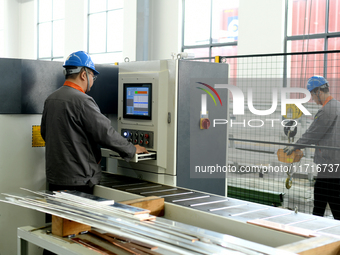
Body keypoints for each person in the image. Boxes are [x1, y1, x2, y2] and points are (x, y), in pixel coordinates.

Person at [41, 51, 148, 195]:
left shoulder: (51, 99)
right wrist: (131, 149)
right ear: (83, 74)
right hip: (79, 181)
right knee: (78, 218)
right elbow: (105, 133)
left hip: (56, 179)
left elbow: (44, 133)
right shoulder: (83, 101)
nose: (93, 79)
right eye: (92, 75)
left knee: (60, 218)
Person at [284, 75, 340, 220]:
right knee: (328, 197)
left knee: (324, 198)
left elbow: (313, 134)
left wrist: (295, 146)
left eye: (312, 95)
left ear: (318, 92)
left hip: (329, 163)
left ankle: (315, 229)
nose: (313, 100)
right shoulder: (338, 106)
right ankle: (317, 225)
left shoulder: (327, 110)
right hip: (335, 162)